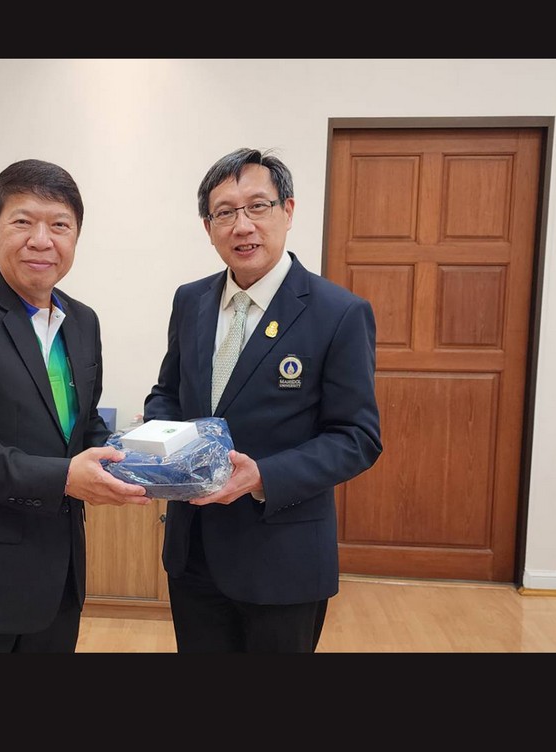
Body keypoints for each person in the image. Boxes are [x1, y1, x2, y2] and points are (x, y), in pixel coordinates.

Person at [0, 158, 151, 653]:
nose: (42, 240)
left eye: (59, 225)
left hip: (58, 582)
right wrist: (64, 478)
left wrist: (140, 460)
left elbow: (82, 425)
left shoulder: (83, 321)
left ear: (76, 237)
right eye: (23, 222)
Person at [143, 147, 383, 653]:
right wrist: (160, 447)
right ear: (208, 226)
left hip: (283, 558)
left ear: (287, 211)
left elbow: (357, 438)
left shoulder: (338, 312)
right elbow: (167, 393)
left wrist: (262, 477)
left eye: (258, 206)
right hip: (194, 552)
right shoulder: (190, 300)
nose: (243, 226)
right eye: (225, 212)